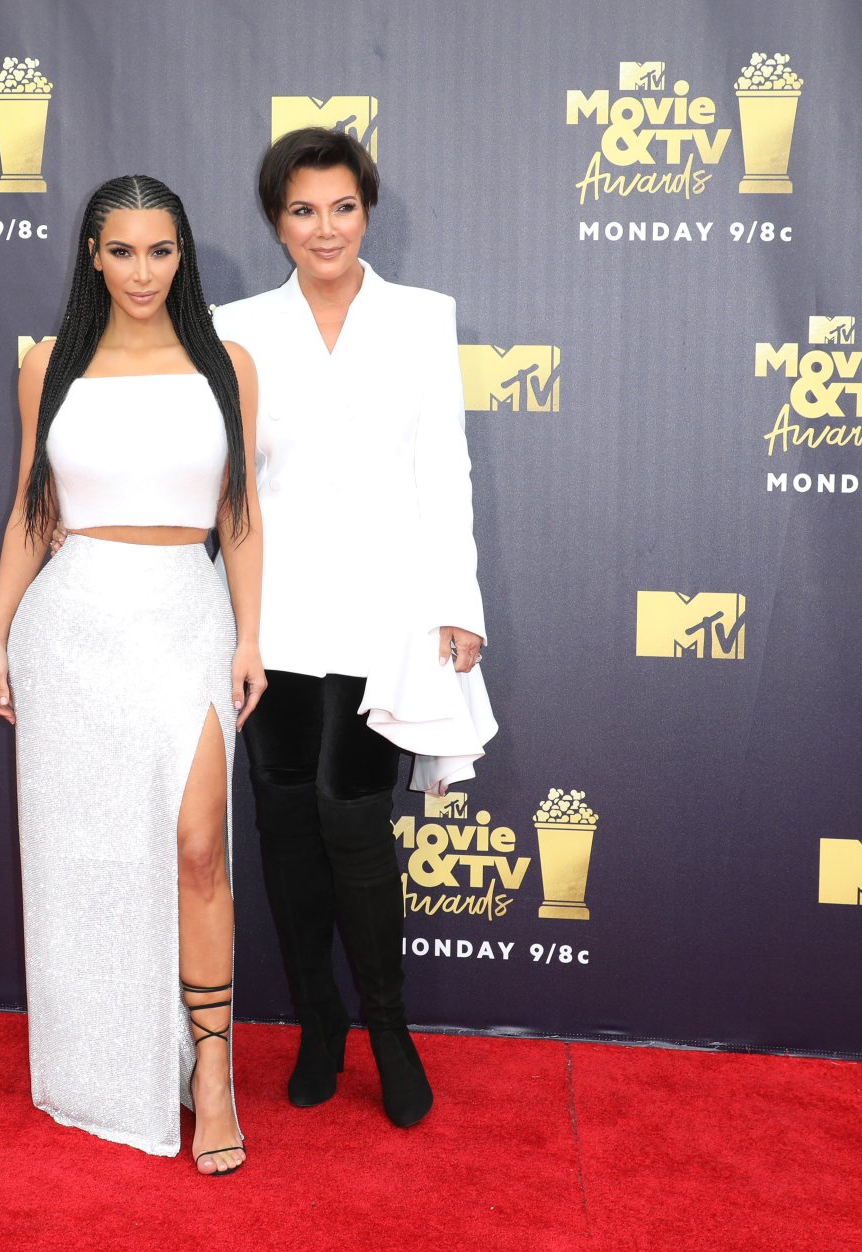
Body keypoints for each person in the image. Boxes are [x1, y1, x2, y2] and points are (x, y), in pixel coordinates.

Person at [0, 175, 264, 1176]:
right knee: (93, 857)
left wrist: (248, 636)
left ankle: (212, 1072)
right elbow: (33, 508)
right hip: (73, 629)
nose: (142, 272)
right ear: (92, 257)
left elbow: (239, 515)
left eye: (161, 250)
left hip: (186, 616)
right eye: (122, 251)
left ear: (183, 255)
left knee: (198, 847)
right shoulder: (47, 363)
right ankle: (108, 1059)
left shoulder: (227, 362)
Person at [212, 128, 489, 1129]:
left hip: (387, 610)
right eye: (302, 209)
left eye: (341, 207)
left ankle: (387, 1025)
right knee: (284, 817)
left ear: (367, 212)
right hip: (272, 609)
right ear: (275, 220)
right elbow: (231, 482)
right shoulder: (235, 326)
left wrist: (459, 601)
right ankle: (318, 1022)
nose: (323, 228)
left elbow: (445, 465)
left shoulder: (421, 317)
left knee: (352, 814)